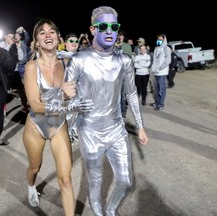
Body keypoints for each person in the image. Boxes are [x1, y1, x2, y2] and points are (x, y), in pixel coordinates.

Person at [62, 6, 149, 216]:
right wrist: (68, 103)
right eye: (103, 26)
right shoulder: (79, 60)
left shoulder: (124, 61)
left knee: (126, 182)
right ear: (93, 29)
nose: (109, 31)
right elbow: (66, 98)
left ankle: (110, 209)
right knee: (95, 181)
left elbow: (130, 94)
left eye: (114, 26)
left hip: (117, 129)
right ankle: (100, 212)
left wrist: (140, 126)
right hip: (89, 130)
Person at [22, 18, 93, 215]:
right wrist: (61, 96)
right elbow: (35, 105)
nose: (47, 35)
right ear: (36, 41)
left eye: (51, 31)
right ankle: (30, 185)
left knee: (66, 179)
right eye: (42, 32)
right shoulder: (31, 67)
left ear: (58, 38)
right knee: (34, 167)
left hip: (59, 125)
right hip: (36, 126)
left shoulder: (68, 62)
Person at [151, 34, 171, 110]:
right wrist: (153, 68)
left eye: (161, 39)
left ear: (164, 40)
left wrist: (160, 68)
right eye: (158, 39)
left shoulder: (166, 48)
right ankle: (156, 102)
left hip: (162, 72)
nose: (159, 41)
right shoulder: (156, 48)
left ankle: (160, 104)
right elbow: (155, 60)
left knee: (161, 89)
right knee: (156, 89)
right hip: (156, 72)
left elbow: (168, 61)